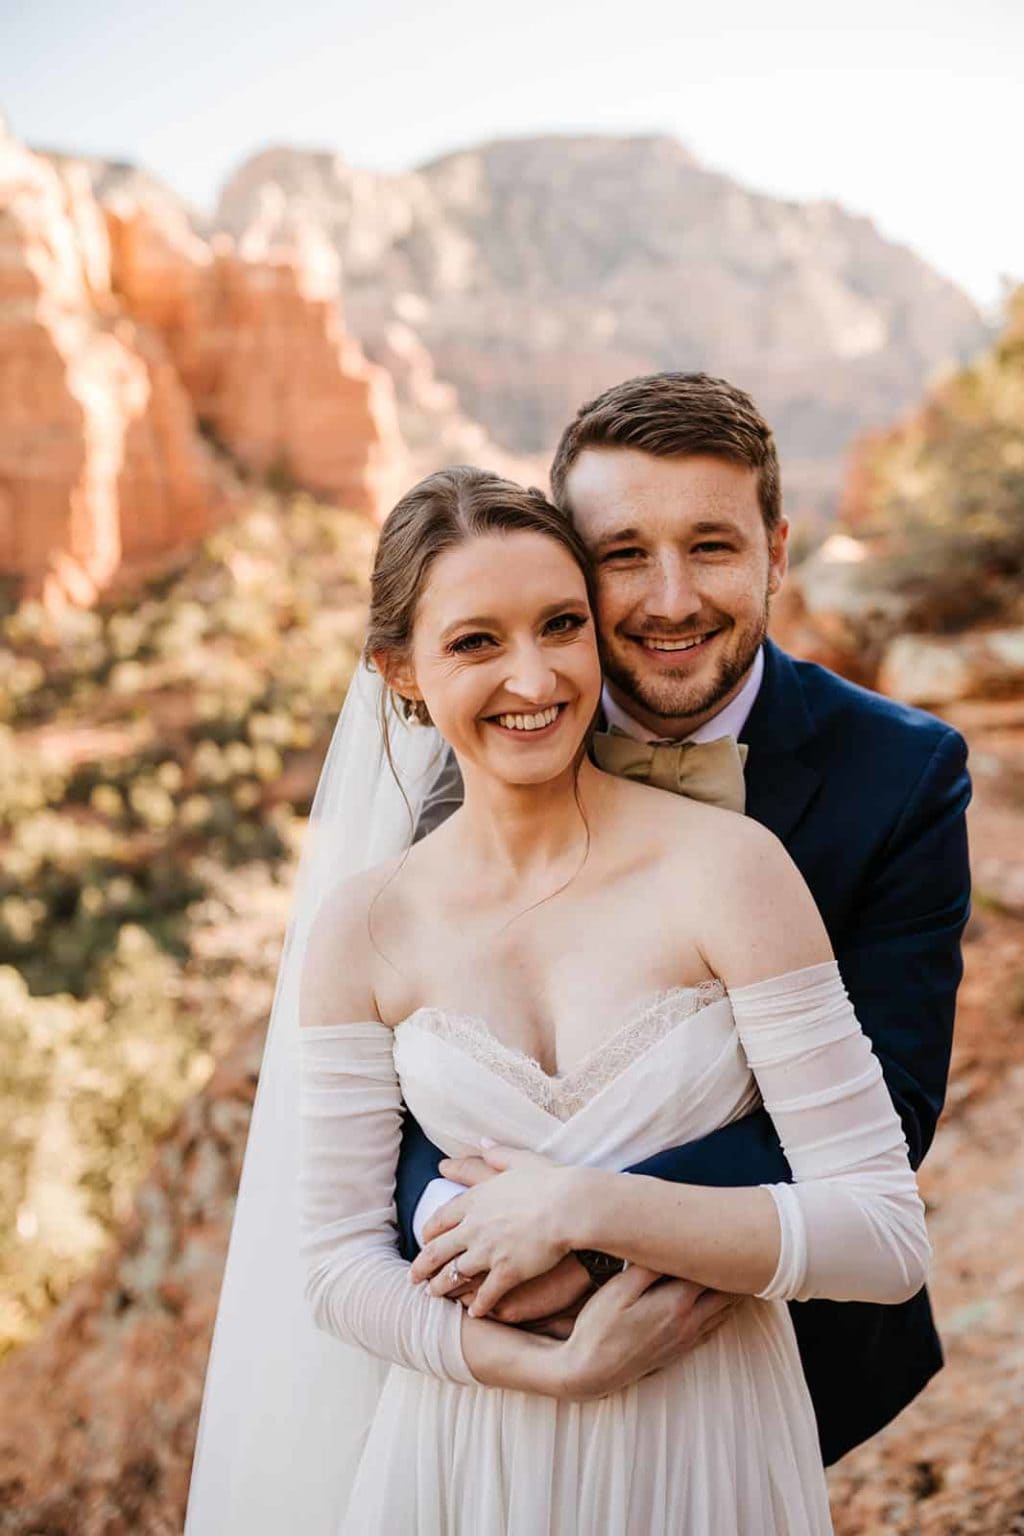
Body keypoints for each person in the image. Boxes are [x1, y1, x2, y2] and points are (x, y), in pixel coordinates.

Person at [293, 464, 929, 1534]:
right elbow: (333, 1262)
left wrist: (581, 1207)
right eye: (475, 642)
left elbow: (881, 1233)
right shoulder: (363, 928)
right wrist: (553, 1374)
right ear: (399, 670)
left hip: (708, 1440)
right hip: (465, 1453)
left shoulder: (728, 869)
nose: (533, 677)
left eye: (560, 625)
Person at [396, 375, 972, 1469]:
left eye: (710, 546)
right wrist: (464, 1240)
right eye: (622, 555)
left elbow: (888, 1110)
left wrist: (588, 1238)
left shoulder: (900, 777)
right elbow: (403, 1081)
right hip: (490, 1338)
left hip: (779, 1342)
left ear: (777, 551)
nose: (668, 601)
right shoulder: (476, 750)